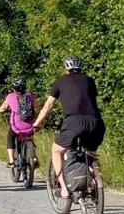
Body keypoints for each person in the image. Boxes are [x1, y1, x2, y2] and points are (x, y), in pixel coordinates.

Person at [33, 56, 106, 200]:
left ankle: (64, 190)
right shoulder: (89, 81)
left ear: (66, 69)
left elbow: (48, 105)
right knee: (90, 154)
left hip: (74, 122)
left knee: (57, 151)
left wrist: (38, 122)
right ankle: (94, 181)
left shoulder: (60, 82)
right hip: (95, 122)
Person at [0, 77, 37, 168]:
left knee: (10, 138)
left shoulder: (10, 96)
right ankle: (33, 157)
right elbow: (35, 108)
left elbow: (3, 108)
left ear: (14, 88)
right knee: (30, 137)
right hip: (29, 126)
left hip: (16, 126)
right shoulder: (30, 96)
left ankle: (11, 161)